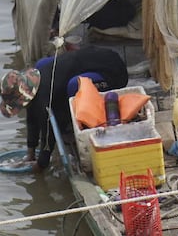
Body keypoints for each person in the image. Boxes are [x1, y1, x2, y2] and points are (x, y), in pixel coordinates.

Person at [0, 46, 129, 172]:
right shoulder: (35, 84)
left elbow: (48, 136)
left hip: (114, 73)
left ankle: (80, 125)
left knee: (74, 86)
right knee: (42, 64)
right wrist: (30, 152)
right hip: (94, 58)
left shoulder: (45, 99)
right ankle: (66, 115)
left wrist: (40, 165)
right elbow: (32, 118)